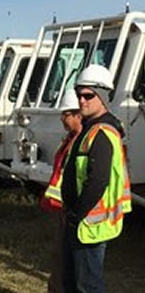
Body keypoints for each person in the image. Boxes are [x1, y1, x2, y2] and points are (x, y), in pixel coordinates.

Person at [61, 64, 132, 293]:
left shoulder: (102, 133)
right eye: (79, 94)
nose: (81, 100)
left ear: (102, 96)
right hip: (79, 222)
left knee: (88, 287)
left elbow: (98, 181)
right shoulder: (89, 130)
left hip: (89, 225)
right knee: (75, 284)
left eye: (88, 95)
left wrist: (76, 215)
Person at [41, 89, 82, 293]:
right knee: (60, 261)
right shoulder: (70, 140)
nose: (62, 120)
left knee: (67, 264)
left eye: (65, 115)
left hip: (71, 212)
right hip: (63, 209)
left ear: (78, 114)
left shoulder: (82, 142)